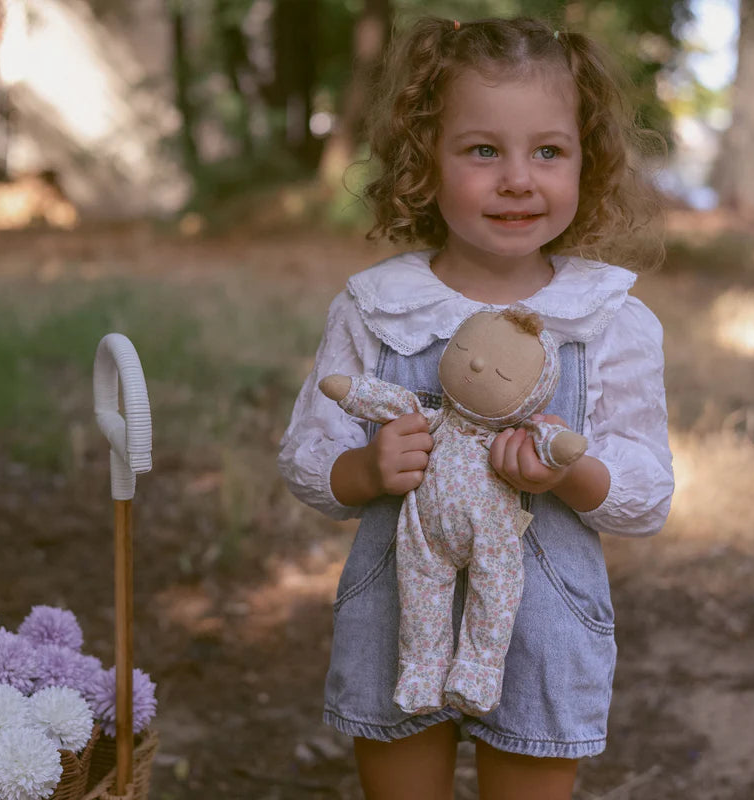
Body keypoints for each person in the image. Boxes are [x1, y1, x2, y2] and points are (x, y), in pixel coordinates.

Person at [278, 15, 674, 800]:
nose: (518, 178)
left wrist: (574, 471)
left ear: (587, 163)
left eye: (549, 151)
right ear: (427, 160)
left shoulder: (608, 318)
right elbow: (306, 458)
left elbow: (648, 493)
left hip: (543, 623)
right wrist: (364, 469)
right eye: (483, 149)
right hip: (398, 618)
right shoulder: (379, 307)